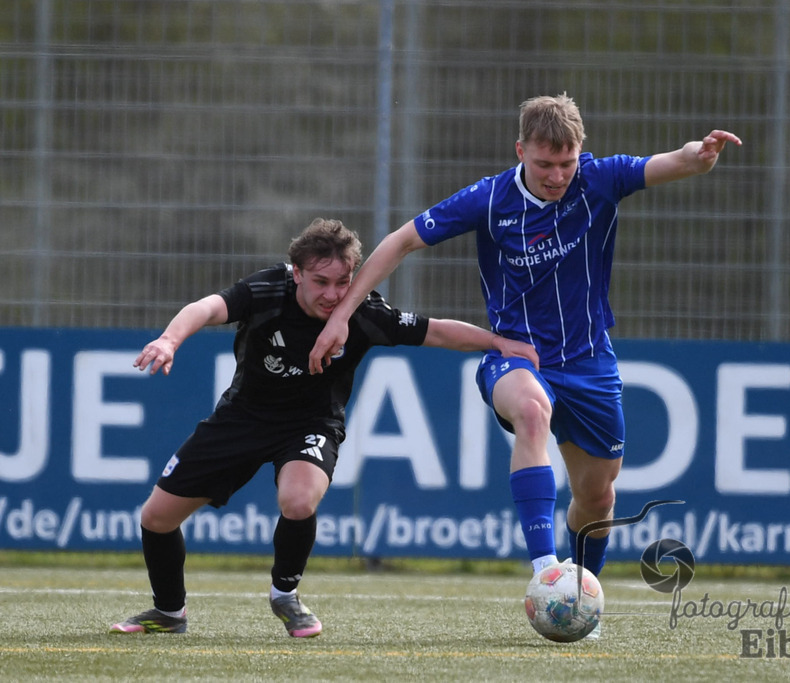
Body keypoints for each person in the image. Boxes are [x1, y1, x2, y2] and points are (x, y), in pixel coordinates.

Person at [308, 95, 741, 639]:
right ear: (521, 151)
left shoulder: (600, 179)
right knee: (533, 412)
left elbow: (670, 161)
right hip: (516, 355)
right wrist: (341, 316)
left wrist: (698, 157)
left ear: (580, 153)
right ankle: (546, 572)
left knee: (598, 498)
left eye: (567, 163)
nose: (557, 175)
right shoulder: (490, 199)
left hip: (589, 361)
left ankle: (579, 597)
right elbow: (401, 241)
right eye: (544, 164)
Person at [109, 217, 538, 638]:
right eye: (320, 282)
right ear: (296, 273)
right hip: (241, 418)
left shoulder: (364, 312)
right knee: (156, 518)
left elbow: (437, 332)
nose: (333, 294)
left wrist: (497, 342)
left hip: (311, 424)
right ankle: (169, 611)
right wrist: (169, 339)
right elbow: (206, 308)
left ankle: (285, 594)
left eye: (342, 282)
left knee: (298, 500)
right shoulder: (267, 290)